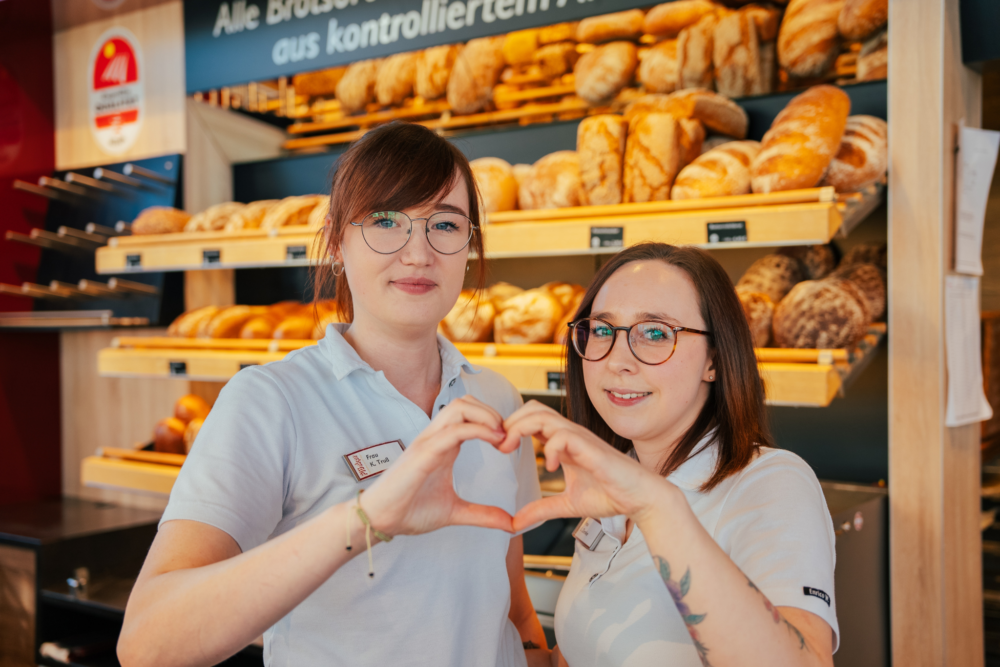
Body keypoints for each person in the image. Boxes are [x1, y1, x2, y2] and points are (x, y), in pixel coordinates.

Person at [118, 122, 547, 667]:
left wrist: (537, 653)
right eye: (386, 222)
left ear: (470, 245)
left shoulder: (499, 400)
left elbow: (508, 597)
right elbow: (147, 643)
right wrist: (366, 519)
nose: (418, 253)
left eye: (445, 224)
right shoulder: (272, 402)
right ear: (337, 240)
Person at [500, 243, 838, 667]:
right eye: (602, 330)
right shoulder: (609, 487)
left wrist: (655, 506)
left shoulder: (771, 483)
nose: (618, 359)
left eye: (656, 333)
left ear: (713, 359)